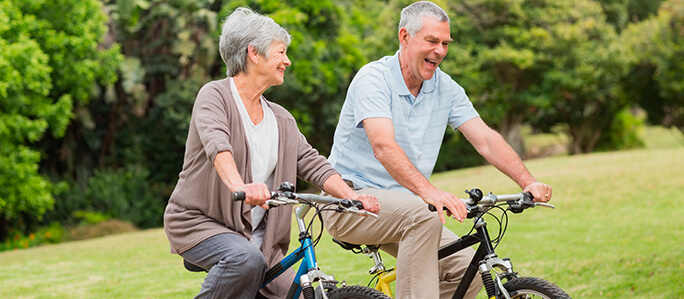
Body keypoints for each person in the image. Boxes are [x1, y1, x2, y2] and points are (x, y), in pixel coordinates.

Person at [323, 2, 553, 299]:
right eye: (432, 41)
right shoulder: (374, 79)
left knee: (470, 271)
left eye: (445, 43)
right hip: (349, 201)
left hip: (406, 209)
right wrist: (428, 192)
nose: (440, 51)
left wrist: (527, 181)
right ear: (404, 37)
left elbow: (485, 139)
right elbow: (383, 146)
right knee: (424, 213)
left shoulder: (445, 88)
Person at [162, 7, 379, 299]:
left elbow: (313, 164)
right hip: (201, 223)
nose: (287, 61)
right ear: (254, 53)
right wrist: (240, 187)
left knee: (301, 293)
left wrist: (351, 196)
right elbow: (218, 146)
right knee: (244, 260)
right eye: (280, 52)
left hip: (264, 246)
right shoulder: (215, 97)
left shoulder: (281, 118)